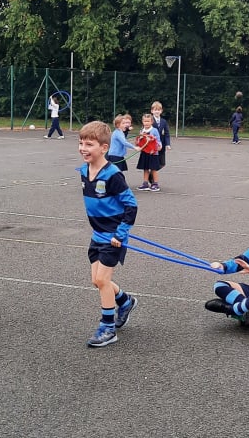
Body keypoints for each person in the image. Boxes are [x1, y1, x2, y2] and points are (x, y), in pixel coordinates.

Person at [78, 121, 139, 347]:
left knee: (103, 280)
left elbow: (131, 206)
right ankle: (125, 302)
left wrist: (121, 234)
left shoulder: (113, 175)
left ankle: (108, 328)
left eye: (89, 144)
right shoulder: (84, 171)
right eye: (81, 143)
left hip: (112, 237)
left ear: (104, 148)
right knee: (97, 281)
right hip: (98, 235)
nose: (83, 148)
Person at [136, 113, 162, 191]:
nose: (146, 123)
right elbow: (138, 141)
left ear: (152, 122)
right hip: (144, 152)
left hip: (153, 153)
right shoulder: (142, 130)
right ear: (142, 122)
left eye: (148, 121)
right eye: (145, 121)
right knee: (145, 168)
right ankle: (145, 183)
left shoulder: (154, 130)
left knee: (153, 169)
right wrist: (139, 139)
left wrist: (158, 146)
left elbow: (158, 141)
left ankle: (155, 183)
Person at [151, 100, 171, 174]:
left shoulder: (163, 121)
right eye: (155, 110)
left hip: (161, 145)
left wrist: (168, 144)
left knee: (162, 163)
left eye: (158, 110)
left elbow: (167, 133)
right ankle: (152, 179)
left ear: (161, 111)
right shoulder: (149, 121)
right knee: (154, 163)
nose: (157, 111)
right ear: (152, 111)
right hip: (152, 145)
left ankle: (151, 175)